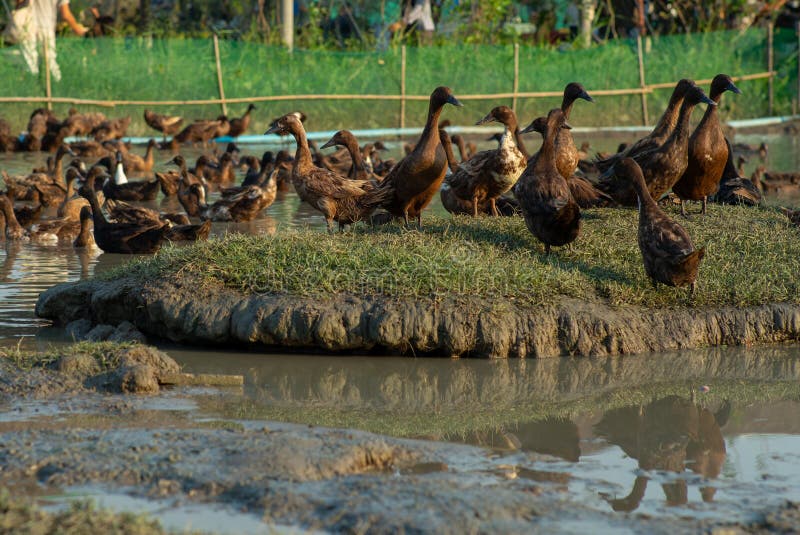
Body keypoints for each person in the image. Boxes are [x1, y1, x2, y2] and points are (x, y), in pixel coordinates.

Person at [6, 0, 88, 81]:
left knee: (30, 62)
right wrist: (77, 29)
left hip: (28, 26)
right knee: (50, 62)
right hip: (46, 27)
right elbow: (65, 14)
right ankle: (55, 86)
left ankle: (33, 87)